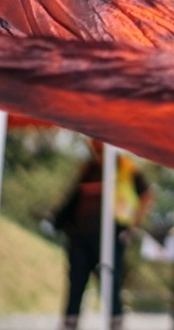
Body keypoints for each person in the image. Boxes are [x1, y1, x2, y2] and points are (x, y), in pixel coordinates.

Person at [54, 139, 152, 330]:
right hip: (81, 235)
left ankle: (115, 323)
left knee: (110, 283)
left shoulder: (125, 167)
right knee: (76, 282)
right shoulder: (87, 167)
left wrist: (133, 226)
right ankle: (69, 323)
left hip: (111, 236)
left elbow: (147, 194)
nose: (95, 144)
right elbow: (74, 197)